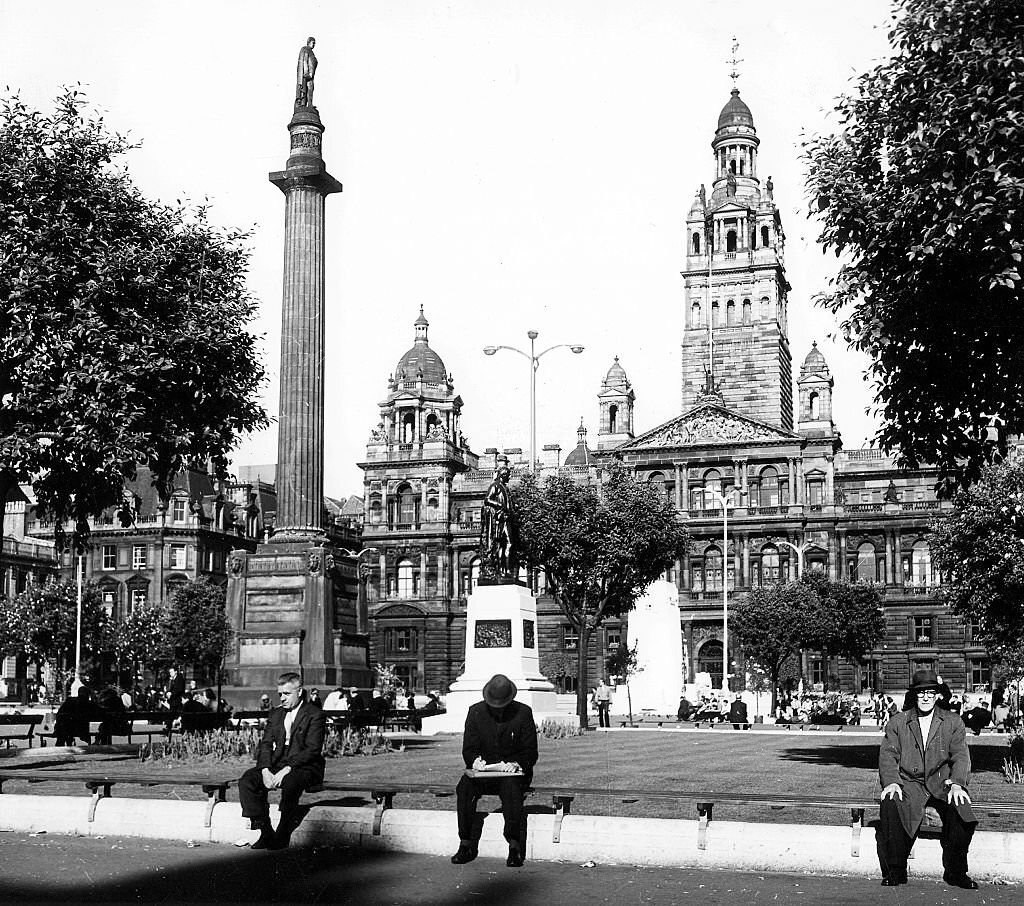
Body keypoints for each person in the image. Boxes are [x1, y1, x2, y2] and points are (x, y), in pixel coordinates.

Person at [877, 669, 978, 889]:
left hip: (942, 784)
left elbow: (961, 755)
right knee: (890, 803)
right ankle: (896, 870)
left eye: (930, 692)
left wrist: (958, 783)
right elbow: (888, 754)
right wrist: (892, 781)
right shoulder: (898, 722)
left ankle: (957, 872)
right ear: (914, 694)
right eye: (921, 692)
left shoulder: (952, 721)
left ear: (937, 695)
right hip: (910, 783)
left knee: (961, 808)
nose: (925, 697)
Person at [451, 674, 538, 868]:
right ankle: (465, 843)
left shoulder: (523, 713)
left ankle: (514, 845)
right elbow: (469, 748)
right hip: (484, 772)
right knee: (464, 787)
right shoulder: (475, 712)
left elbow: (530, 750)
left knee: (511, 788)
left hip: (512, 772)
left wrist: (517, 764)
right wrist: (474, 761)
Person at [239, 672, 326, 850]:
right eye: (280, 694)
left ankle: (283, 831)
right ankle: (265, 831)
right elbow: (265, 744)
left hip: (305, 765)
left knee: (291, 782)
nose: (282, 698)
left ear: (299, 692)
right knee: (248, 780)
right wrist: (264, 770)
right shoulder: (276, 714)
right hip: (278, 762)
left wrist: (286, 769)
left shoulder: (314, 714)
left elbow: (312, 749)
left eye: (287, 694)